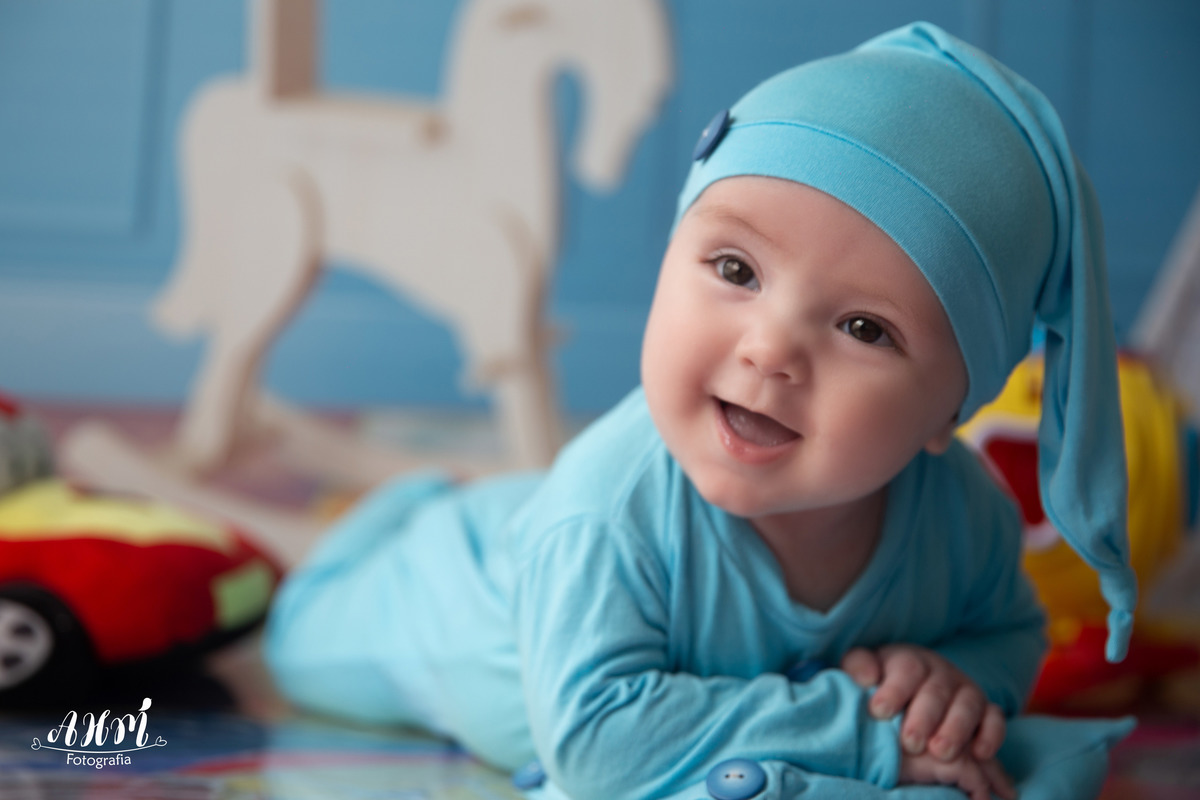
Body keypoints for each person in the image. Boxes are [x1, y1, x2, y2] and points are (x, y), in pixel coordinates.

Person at [264, 21, 1138, 800]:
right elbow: (597, 743)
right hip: (440, 605)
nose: (770, 348)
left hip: (544, 525)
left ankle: (474, 498)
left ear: (950, 409)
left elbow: (1010, 634)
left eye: (865, 328)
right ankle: (419, 507)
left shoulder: (965, 522)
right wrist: (866, 730)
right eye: (735, 270)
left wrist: (952, 684)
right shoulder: (609, 509)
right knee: (298, 644)